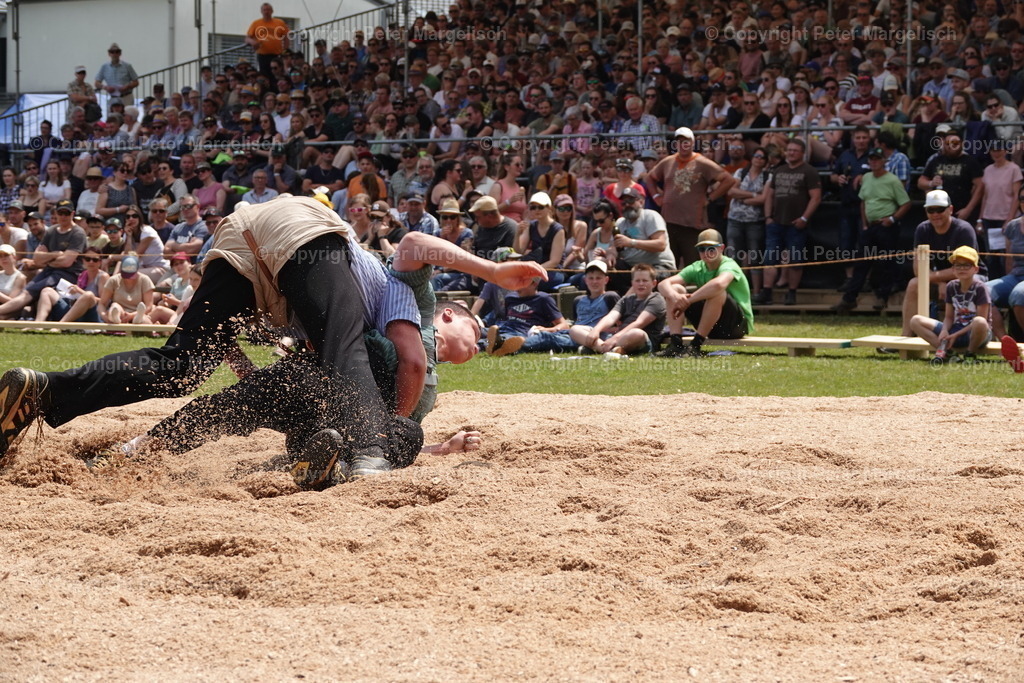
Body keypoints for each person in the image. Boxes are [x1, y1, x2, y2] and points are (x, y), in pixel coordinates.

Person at [0, 196, 545, 482]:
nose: (479, 338)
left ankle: (44, 392)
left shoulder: (340, 326)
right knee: (344, 348)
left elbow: (253, 346)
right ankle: (367, 461)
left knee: (184, 365)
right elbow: (414, 251)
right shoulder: (406, 300)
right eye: (477, 328)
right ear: (449, 314)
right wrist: (493, 275)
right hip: (305, 233)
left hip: (245, 249)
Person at [896, 189, 986, 337]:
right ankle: (906, 337)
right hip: (941, 279)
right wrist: (940, 283)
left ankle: (971, 336)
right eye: (931, 210)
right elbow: (918, 268)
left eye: (940, 209)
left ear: (950, 209)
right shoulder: (922, 229)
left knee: (964, 282)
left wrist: (944, 282)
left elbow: (966, 268)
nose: (935, 214)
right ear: (926, 211)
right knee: (914, 283)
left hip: (971, 277)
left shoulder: (964, 230)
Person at [833, 147, 912, 313]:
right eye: (871, 159)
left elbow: (906, 203)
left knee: (885, 264)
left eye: (877, 159)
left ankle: (882, 297)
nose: (874, 162)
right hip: (870, 226)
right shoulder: (867, 178)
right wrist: (864, 223)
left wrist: (892, 219)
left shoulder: (892, 180)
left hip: (887, 227)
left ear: (884, 161)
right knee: (861, 263)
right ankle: (849, 299)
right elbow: (863, 201)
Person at [646, 127, 735, 268]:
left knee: (694, 266)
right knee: (669, 265)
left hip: (692, 224)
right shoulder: (668, 161)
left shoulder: (703, 162)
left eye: (686, 141)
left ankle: (694, 291)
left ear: (693, 143)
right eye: (680, 141)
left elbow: (728, 179)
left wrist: (710, 198)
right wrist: (657, 196)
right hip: (668, 223)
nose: (683, 144)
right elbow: (650, 177)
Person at [658, 228, 754, 357]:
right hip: (711, 326)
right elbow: (663, 284)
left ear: (722, 248)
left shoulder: (729, 264)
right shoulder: (697, 267)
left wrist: (688, 301)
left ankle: (696, 345)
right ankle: (676, 344)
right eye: (702, 249)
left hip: (736, 326)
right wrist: (674, 296)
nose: (706, 252)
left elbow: (719, 284)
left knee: (717, 291)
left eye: (711, 248)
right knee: (675, 289)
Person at [757, 138, 822, 305]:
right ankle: (767, 292)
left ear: (802, 153)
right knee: (770, 258)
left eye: (795, 150)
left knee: (795, 260)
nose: (791, 153)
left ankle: (792, 293)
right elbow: (769, 195)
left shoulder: (809, 171)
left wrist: (804, 218)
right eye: (789, 150)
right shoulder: (779, 170)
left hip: (796, 224)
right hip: (776, 222)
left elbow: (816, 197)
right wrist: (768, 217)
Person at [0, 199, 85, 319]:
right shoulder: (51, 231)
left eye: (66, 213)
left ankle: (33, 322)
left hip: (68, 274)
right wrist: (56, 254)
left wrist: (47, 259)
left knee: (31, 292)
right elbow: (37, 259)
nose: (63, 216)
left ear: (72, 214)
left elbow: (67, 262)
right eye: (60, 213)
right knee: (26, 292)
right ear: (56, 213)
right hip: (49, 271)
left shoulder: (78, 233)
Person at [909, 246, 992, 363]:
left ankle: (970, 353)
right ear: (953, 269)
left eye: (967, 265)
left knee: (979, 321)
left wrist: (955, 335)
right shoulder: (951, 286)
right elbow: (949, 317)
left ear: (976, 269)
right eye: (958, 265)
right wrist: (944, 331)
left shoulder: (980, 288)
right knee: (915, 320)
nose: (962, 268)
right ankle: (947, 353)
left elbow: (982, 319)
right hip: (955, 330)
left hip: (976, 333)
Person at [574, 263, 666, 355]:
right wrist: (596, 330)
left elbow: (639, 323)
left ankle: (599, 348)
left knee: (637, 333)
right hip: (620, 337)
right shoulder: (626, 299)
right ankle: (607, 348)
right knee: (575, 329)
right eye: (637, 280)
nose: (641, 284)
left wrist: (615, 338)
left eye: (645, 280)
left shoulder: (657, 299)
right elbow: (611, 317)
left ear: (654, 283)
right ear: (632, 283)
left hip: (643, 340)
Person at [482, 276, 573, 355]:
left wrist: (549, 329)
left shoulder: (543, 299)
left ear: (534, 284)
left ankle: (494, 345)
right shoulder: (510, 298)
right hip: (504, 328)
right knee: (479, 332)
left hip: (521, 332)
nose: (517, 286)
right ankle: (495, 345)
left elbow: (564, 325)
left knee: (511, 340)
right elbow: (507, 319)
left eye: (522, 283)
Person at [247, 3, 290, 80]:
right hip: (262, 55)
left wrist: (285, 51)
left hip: (277, 55)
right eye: (264, 10)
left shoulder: (279, 22)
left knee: (277, 75)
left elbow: (286, 37)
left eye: (268, 10)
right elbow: (247, 38)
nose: (266, 12)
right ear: (261, 11)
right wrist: (253, 42)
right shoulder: (256, 23)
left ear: (272, 11)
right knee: (264, 76)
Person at [94, 43, 138, 113]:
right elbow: (96, 83)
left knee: (128, 117)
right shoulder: (104, 67)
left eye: (117, 52)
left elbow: (136, 81)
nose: (114, 54)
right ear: (109, 54)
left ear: (120, 53)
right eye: (112, 52)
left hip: (126, 97)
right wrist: (105, 87)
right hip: (113, 98)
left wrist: (127, 86)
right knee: (113, 119)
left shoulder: (127, 66)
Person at [0, 244, 26, 319]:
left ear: (14, 257)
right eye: (0, 256)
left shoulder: (20, 277)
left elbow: (12, 302)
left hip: (11, 311)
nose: (3, 258)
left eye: (6, 255)